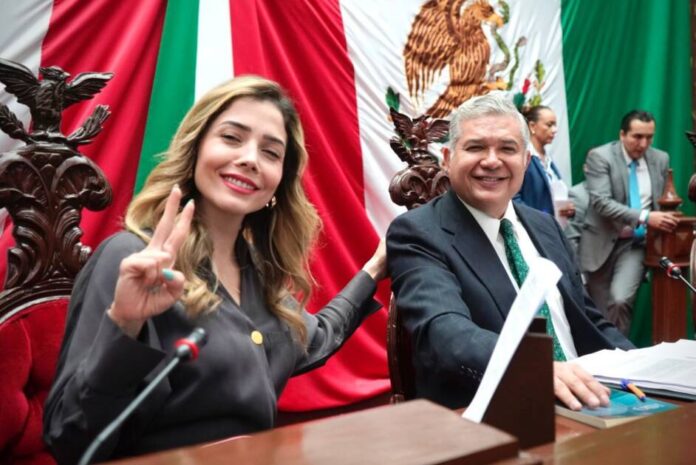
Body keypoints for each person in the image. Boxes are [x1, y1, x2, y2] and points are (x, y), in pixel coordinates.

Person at [43, 76, 387, 464]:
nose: (250, 159)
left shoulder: (259, 278)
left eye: (271, 153)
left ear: (279, 183)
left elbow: (317, 335)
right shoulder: (131, 258)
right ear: (195, 149)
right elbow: (70, 439)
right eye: (231, 138)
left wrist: (374, 269)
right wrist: (124, 325)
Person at [386, 93, 633, 411]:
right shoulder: (419, 232)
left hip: (589, 396)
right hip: (500, 412)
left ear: (526, 161)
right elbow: (446, 334)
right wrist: (535, 368)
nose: (492, 161)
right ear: (447, 158)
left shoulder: (545, 226)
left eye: (507, 149)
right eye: (475, 147)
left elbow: (588, 319)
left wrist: (641, 364)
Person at [579, 110, 679, 335]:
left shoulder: (660, 159)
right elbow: (601, 202)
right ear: (622, 134)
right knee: (598, 311)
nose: (643, 144)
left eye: (649, 137)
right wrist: (646, 217)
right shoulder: (600, 156)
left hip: (635, 245)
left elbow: (663, 200)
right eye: (637, 137)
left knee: (620, 300)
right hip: (600, 243)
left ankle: (620, 351)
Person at [514, 105, 575, 221]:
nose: (555, 130)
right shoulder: (523, 157)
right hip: (532, 226)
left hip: (553, 226)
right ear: (532, 126)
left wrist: (565, 209)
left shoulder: (548, 159)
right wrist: (536, 221)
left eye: (555, 125)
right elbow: (513, 198)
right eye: (549, 125)